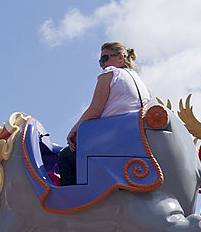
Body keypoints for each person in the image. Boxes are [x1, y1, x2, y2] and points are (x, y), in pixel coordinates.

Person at [59, 42, 151, 185]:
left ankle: (69, 204)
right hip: (137, 140)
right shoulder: (140, 81)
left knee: (66, 156)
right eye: (100, 60)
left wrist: (73, 130)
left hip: (114, 140)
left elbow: (95, 110)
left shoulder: (110, 73)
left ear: (120, 58)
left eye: (105, 58)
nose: (102, 64)